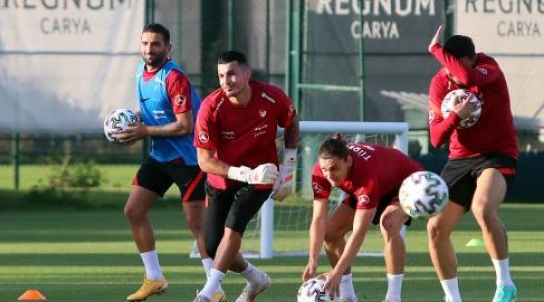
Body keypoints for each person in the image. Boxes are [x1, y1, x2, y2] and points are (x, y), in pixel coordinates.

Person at [115, 23, 226, 302]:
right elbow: (153, 111)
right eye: (145, 44)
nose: (149, 49)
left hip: (190, 159)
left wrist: (144, 132)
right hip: (161, 156)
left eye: (155, 44)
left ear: (168, 48)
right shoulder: (141, 73)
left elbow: (184, 125)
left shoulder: (174, 77)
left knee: (198, 225)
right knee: (133, 210)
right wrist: (130, 122)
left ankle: (216, 292)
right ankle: (154, 278)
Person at [191, 50, 299, 302]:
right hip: (223, 179)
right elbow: (204, 161)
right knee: (211, 245)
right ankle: (256, 278)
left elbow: (292, 123)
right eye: (220, 75)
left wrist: (288, 168)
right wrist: (243, 173)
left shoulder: (272, 97)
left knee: (233, 227)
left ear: (247, 74)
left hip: (263, 175)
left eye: (231, 74)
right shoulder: (210, 107)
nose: (226, 81)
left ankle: (209, 293)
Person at [426, 26, 518, 302]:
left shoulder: (488, 67)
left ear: (472, 59)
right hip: (460, 159)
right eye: (448, 68)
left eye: (457, 66)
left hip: (496, 154)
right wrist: (454, 116)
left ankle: (505, 285)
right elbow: (435, 138)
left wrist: (436, 49)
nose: (454, 76)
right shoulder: (440, 83)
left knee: (482, 208)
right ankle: (453, 298)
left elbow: (466, 75)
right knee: (435, 228)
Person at [302, 137, 424, 302]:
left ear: (349, 161)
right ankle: (348, 296)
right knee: (331, 233)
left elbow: (359, 233)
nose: (329, 175)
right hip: (374, 182)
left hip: (409, 182)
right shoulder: (320, 173)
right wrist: (312, 259)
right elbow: (318, 219)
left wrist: (336, 271)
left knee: (388, 224)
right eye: (325, 169)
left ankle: (393, 298)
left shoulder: (366, 176)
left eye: (334, 168)